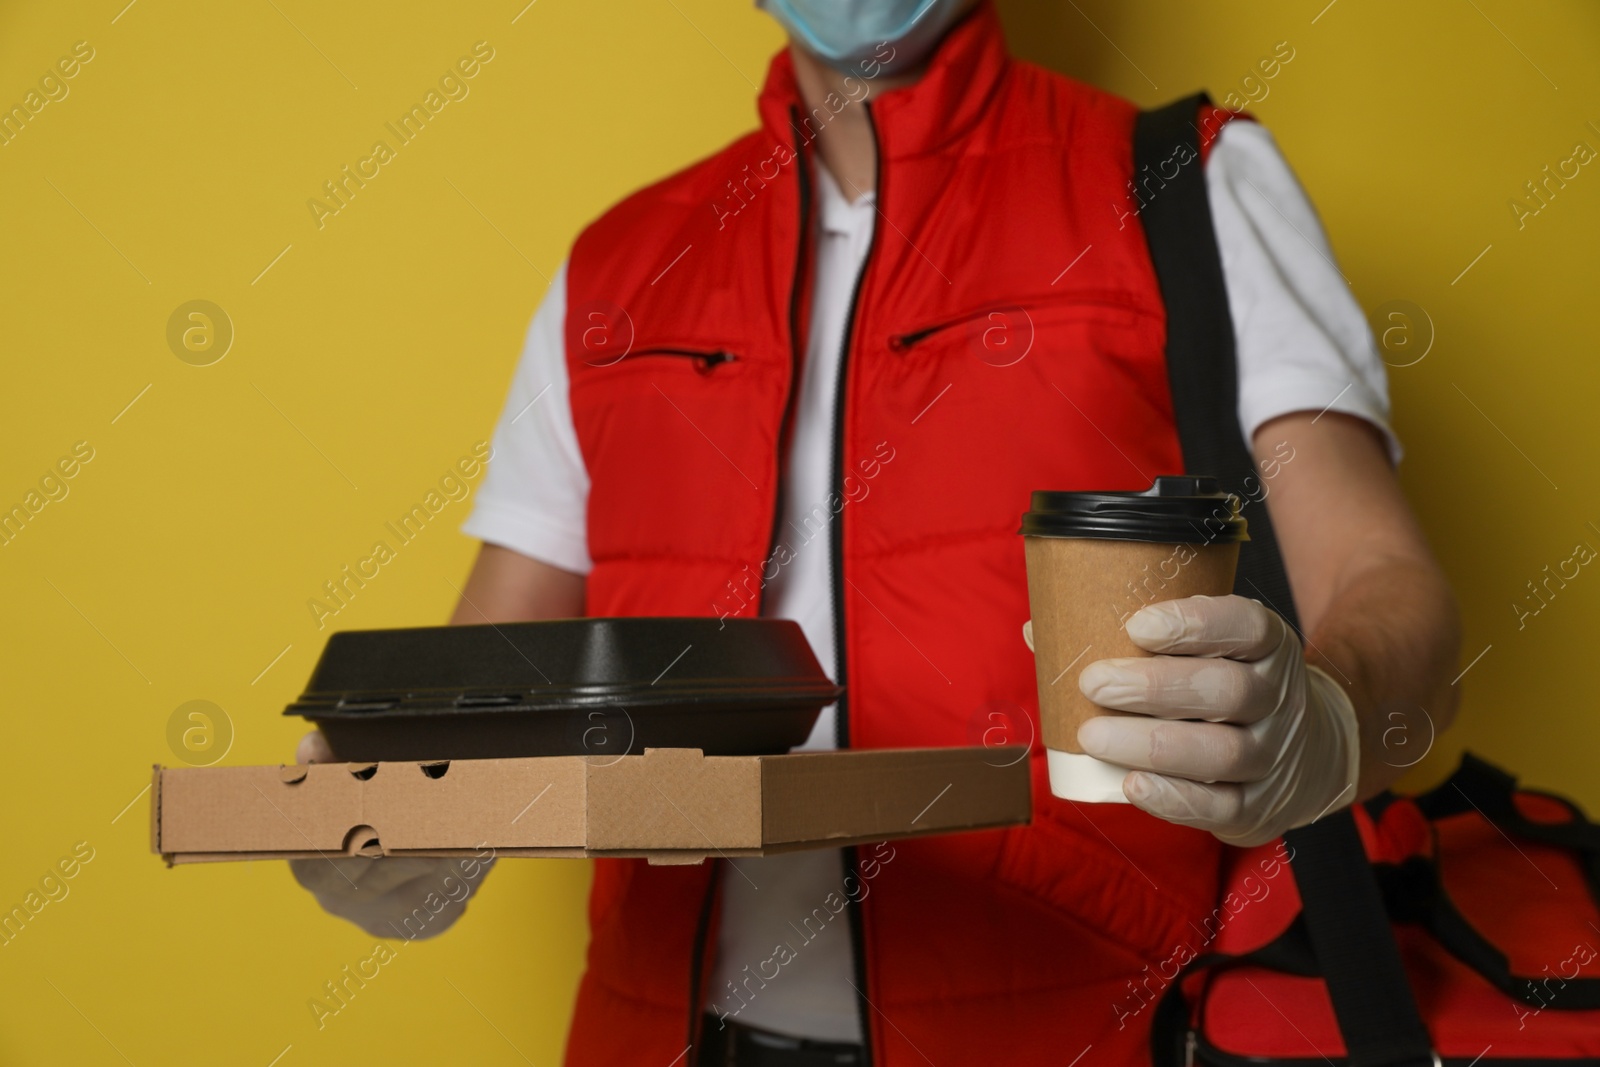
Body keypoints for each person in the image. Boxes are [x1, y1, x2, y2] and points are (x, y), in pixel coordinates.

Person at [291, 1, 1462, 1063]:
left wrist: (1329, 721)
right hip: (657, 1034)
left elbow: (1382, 580)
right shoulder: (620, 264)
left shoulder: (1188, 185)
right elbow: (484, 683)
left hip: (1083, 1032)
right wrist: (407, 830)